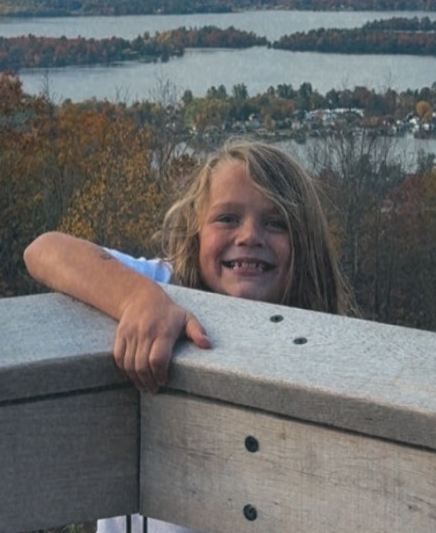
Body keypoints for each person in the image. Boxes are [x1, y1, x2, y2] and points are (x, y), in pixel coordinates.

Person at [24, 138, 354, 533]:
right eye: (227, 218)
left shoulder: (320, 345)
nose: (250, 236)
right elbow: (44, 250)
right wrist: (137, 300)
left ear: (305, 243)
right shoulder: (166, 287)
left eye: (276, 223)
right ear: (196, 233)